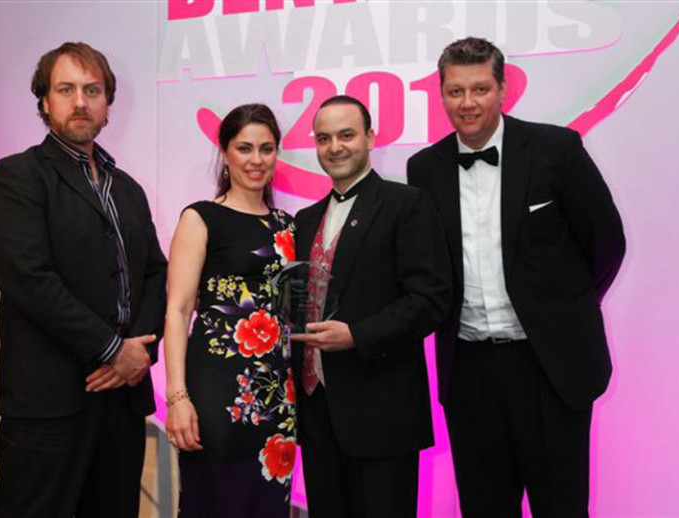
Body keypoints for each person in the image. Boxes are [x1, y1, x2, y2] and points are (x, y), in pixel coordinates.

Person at [407, 37, 626, 517]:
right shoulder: (423, 169)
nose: (468, 102)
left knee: (562, 507)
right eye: (456, 91)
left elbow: (607, 242)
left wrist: (562, 309)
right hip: (469, 372)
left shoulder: (556, 149)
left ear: (503, 89)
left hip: (550, 366)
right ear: (441, 94)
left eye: (480, 89)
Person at [0, 42, 167, 517]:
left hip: (122, 401)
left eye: (92, 90)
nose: (80, 102)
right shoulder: (18, 177)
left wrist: (138, 353)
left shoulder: (127, 189)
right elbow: (29, 279)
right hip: (50, 403)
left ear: (108, 104)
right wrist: (112, 349)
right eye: (66, 90)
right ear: (44, 102)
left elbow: (155, 272)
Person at [291, 95, 452, 518]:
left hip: (382, 413)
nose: (335, 147)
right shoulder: (304, 220)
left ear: (370, 138)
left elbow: (430, 299)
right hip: (317, 414)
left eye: (346, 135)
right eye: (324, 138)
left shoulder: (408, 204)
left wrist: (357, 336)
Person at [164, 104, 297, 517]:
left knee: (267, 504)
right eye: (244, 148)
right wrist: (177, 397)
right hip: (217, 392)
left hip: (277, 396)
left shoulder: (287, 225)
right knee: (217, 501)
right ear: (224, 152)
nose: (256, 160)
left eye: (266, 149)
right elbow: (178, 310)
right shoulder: (200, 218)